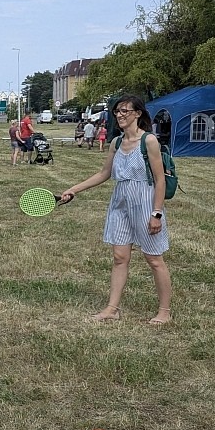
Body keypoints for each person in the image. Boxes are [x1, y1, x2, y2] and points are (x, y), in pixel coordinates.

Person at [62, 94, 171, 325]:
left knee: (154, 259)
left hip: (145, 201)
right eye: (117, 111)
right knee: (120, 257)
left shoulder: (149, 141)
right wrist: (74, 189)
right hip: (120, 203)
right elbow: (104, 174)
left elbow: (160, 180)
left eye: (125, 111)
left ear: (138, 114)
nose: (120, 115)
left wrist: (156, 213)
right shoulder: (117, 142)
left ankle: (164, 311)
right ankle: (112, 309)